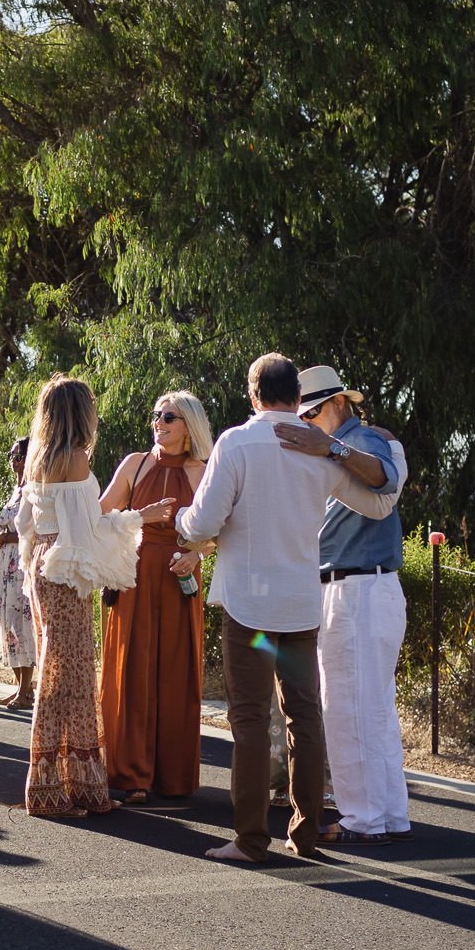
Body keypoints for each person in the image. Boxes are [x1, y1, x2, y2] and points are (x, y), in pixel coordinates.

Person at [174, 353, 339, 863]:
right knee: (304, 717)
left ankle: (249, 839)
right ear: (297, 396)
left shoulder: (237, 442)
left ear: (253, 394)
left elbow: (202, 524)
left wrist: (182, 519)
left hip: (252, 612)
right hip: (299, 608)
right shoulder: (319, 448)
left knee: (248, 720)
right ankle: (306, 832)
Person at [17, 377, 171, 816]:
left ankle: (73, 785)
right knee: (68, 676)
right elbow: (89, 531)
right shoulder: (75, 459)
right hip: (65, 569)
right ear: (80, 413)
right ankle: (50, 790)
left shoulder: (39, 458)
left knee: (64, 671)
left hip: (47, 564)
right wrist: (142, 517)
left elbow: (28, 524)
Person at [276, 365, 410, 846]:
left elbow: (383, 479)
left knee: (346, 709)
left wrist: (330, 447)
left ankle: (363, 818)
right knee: (372, 709)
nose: (308, 424)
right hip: (359, 588)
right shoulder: (341, 448)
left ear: (337, 403)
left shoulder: (361, 440)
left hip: (357, 589)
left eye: (311, 413)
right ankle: (389, 814)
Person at [99, 391, 214, 805]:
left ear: (189, 426)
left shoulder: (203, 471)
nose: (159, 423)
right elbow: (98, 515)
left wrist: (196, 553)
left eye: (169, 417)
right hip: (133, 575)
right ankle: (131, 774)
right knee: (133, 669)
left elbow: (218, 532)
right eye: (156, 415)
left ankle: (172, 775)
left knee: (175, 671)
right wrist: (138, 518)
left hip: (179, 578)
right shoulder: (136, 463)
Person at [0, 436, 38, 710]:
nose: (13, 461)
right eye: (11, 456)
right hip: (5, 565)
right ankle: (22, 686)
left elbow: (35, 526)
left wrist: (6, 539)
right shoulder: (16, 489)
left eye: (18, 456)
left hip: (21, 563)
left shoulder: (34, 487)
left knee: (21, 624)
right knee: (4, 622)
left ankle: (25, 689)